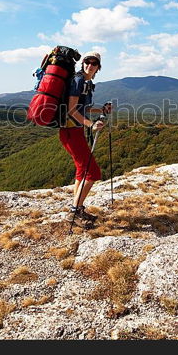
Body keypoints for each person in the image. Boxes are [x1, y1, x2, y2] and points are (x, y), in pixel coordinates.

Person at [59, 52, 111, 226]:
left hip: (74, 130)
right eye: (87, 62)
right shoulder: (78, 80)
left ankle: (78, 208)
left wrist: (101, 110)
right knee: (93, 172)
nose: (90, 65)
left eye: (94, 63)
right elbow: (72, 110)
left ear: (98, 67)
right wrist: (90, 124)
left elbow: (83, 108)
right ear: (82, 64)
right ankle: (74, 212)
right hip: (71, 132)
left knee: (82, 170)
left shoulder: (86, 83)